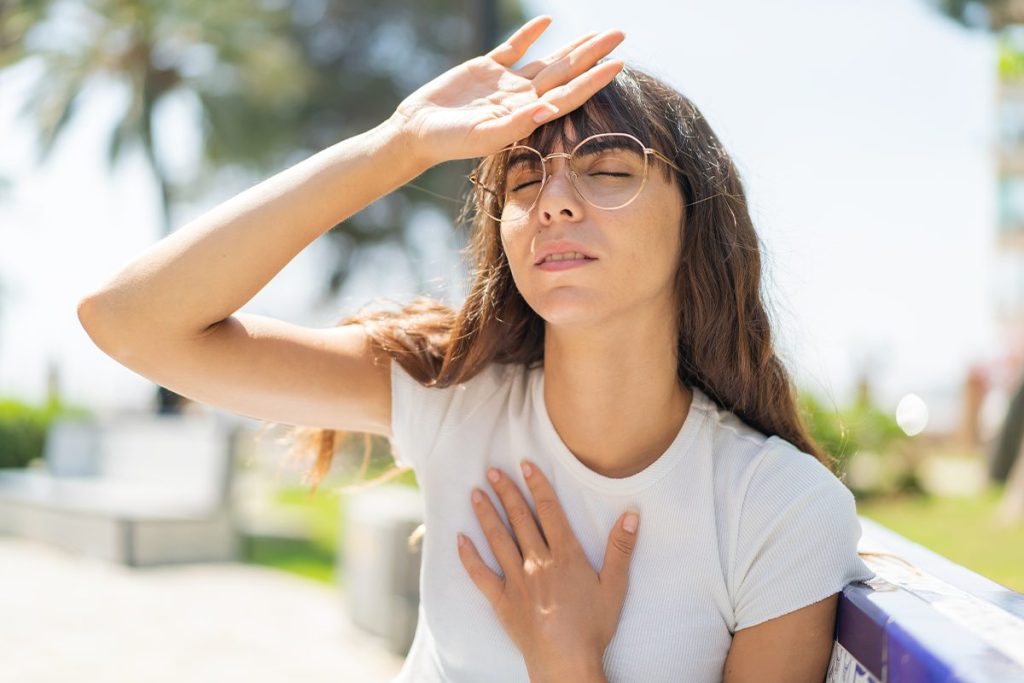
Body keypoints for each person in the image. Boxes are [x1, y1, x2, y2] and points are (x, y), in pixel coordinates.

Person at [77, 15, 875, 683]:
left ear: (698, 221)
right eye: (525, 182)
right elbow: (130, 322)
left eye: (606, 171)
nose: (555, 201)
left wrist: (566, 660)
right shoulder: (448, 393)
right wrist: (400, 143)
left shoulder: (781, 511)